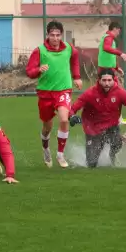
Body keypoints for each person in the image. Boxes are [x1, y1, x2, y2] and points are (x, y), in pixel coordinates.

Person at [26, 19, 83, 168]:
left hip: (63, 90)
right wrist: (38, 70)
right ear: (48, 35)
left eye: (58, 35)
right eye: (52, 35)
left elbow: (75, 59)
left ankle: (60, 154)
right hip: (45, 93)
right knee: (47, 127)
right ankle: (45, 149)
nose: (55, 38)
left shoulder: (69, 48)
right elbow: (29, 72)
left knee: (64, 119)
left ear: (61, 35)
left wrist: (77, 77)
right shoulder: (39, 50)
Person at [69, 68, 126, 168]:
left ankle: (112, 156)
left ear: (114, 80)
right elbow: (72, 109)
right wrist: (72, 117)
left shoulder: (120, 92)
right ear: (99, 80)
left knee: (117, 143)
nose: (107, 83)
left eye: (109, 80)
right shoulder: (89, 93)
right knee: (91, 163)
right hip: (93, 129)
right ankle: (94, 150)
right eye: (104, 80)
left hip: (111, 127)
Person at [98, 21, 126, 126]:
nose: (119, 33)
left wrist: (117, 67)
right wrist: (121, 53)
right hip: (106, 71)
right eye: (118, 31)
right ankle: (114, 119)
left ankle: (114, 118)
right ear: (115, 29)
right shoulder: (108, 38)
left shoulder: (108, 38)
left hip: (108, 69)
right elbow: (106, 48)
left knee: (110, 94)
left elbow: (110, 56)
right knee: (118, 93)